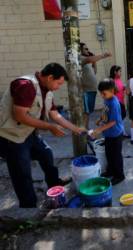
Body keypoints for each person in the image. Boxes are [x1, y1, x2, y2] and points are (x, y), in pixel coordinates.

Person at [0, 63, 85, 208]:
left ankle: (54, 184)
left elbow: (54, 114)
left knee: (46, 153)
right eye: (58, 83)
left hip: (29, 133)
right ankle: (29, 208)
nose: (58, 87)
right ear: (50, 77)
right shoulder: (26, 85)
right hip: (12, 136)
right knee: (22, 173)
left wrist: (75, 129)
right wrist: (50, 127)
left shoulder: (47, 90)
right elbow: (20, 116)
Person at [90, 79, 125, 185]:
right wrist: (100, 119)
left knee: (116, 156)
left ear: (111, 90)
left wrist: (99, 130)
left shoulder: (114, 103)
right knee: (109, 154)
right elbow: (105, 111)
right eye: (101, 93)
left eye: (103, 93)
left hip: (116, 134)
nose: (102, 95)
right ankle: (110, 171)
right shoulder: (107, 99)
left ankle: (119, 175)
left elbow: (113, 122)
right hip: (109, 134)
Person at [80, 42, 111, 129]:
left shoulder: (87, 62)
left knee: (88, 112)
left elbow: (94, 72)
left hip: (91, 90)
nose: (88, 50)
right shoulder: (80, 58)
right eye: (85, 49)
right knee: (86, 113)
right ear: (80, 50)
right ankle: (85, 132)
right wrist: (104, 55)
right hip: (86, 91)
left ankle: (86, 129)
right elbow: (89, 59)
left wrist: (94, 62)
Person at [109, 65, 129, 137]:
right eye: (119, 71)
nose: (121, 73)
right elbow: (112, 92)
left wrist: (124, 87)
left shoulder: (119, 80)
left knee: (122, 117)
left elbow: (120, 88)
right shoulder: (111, 81)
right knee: (118, 118)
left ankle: (121, 132)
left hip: (121, 101)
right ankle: (121, 132)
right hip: (116, 103)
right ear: (115, 72)